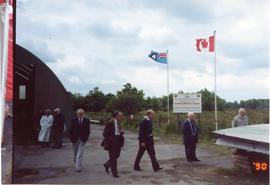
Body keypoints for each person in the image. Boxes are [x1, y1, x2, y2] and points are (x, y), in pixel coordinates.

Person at [102, 112, 124, 178]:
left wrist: (122, 132)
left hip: (118, 141)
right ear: (116, 116)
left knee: (117, 155)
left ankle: (107, 164)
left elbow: (119, 132)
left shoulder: (118, 122)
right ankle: (115, 173)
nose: (121, 117)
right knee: (113, 157)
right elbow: (104, 134)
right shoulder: (110, 122)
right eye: (120, 116)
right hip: (112, 142)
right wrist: (110, 140)